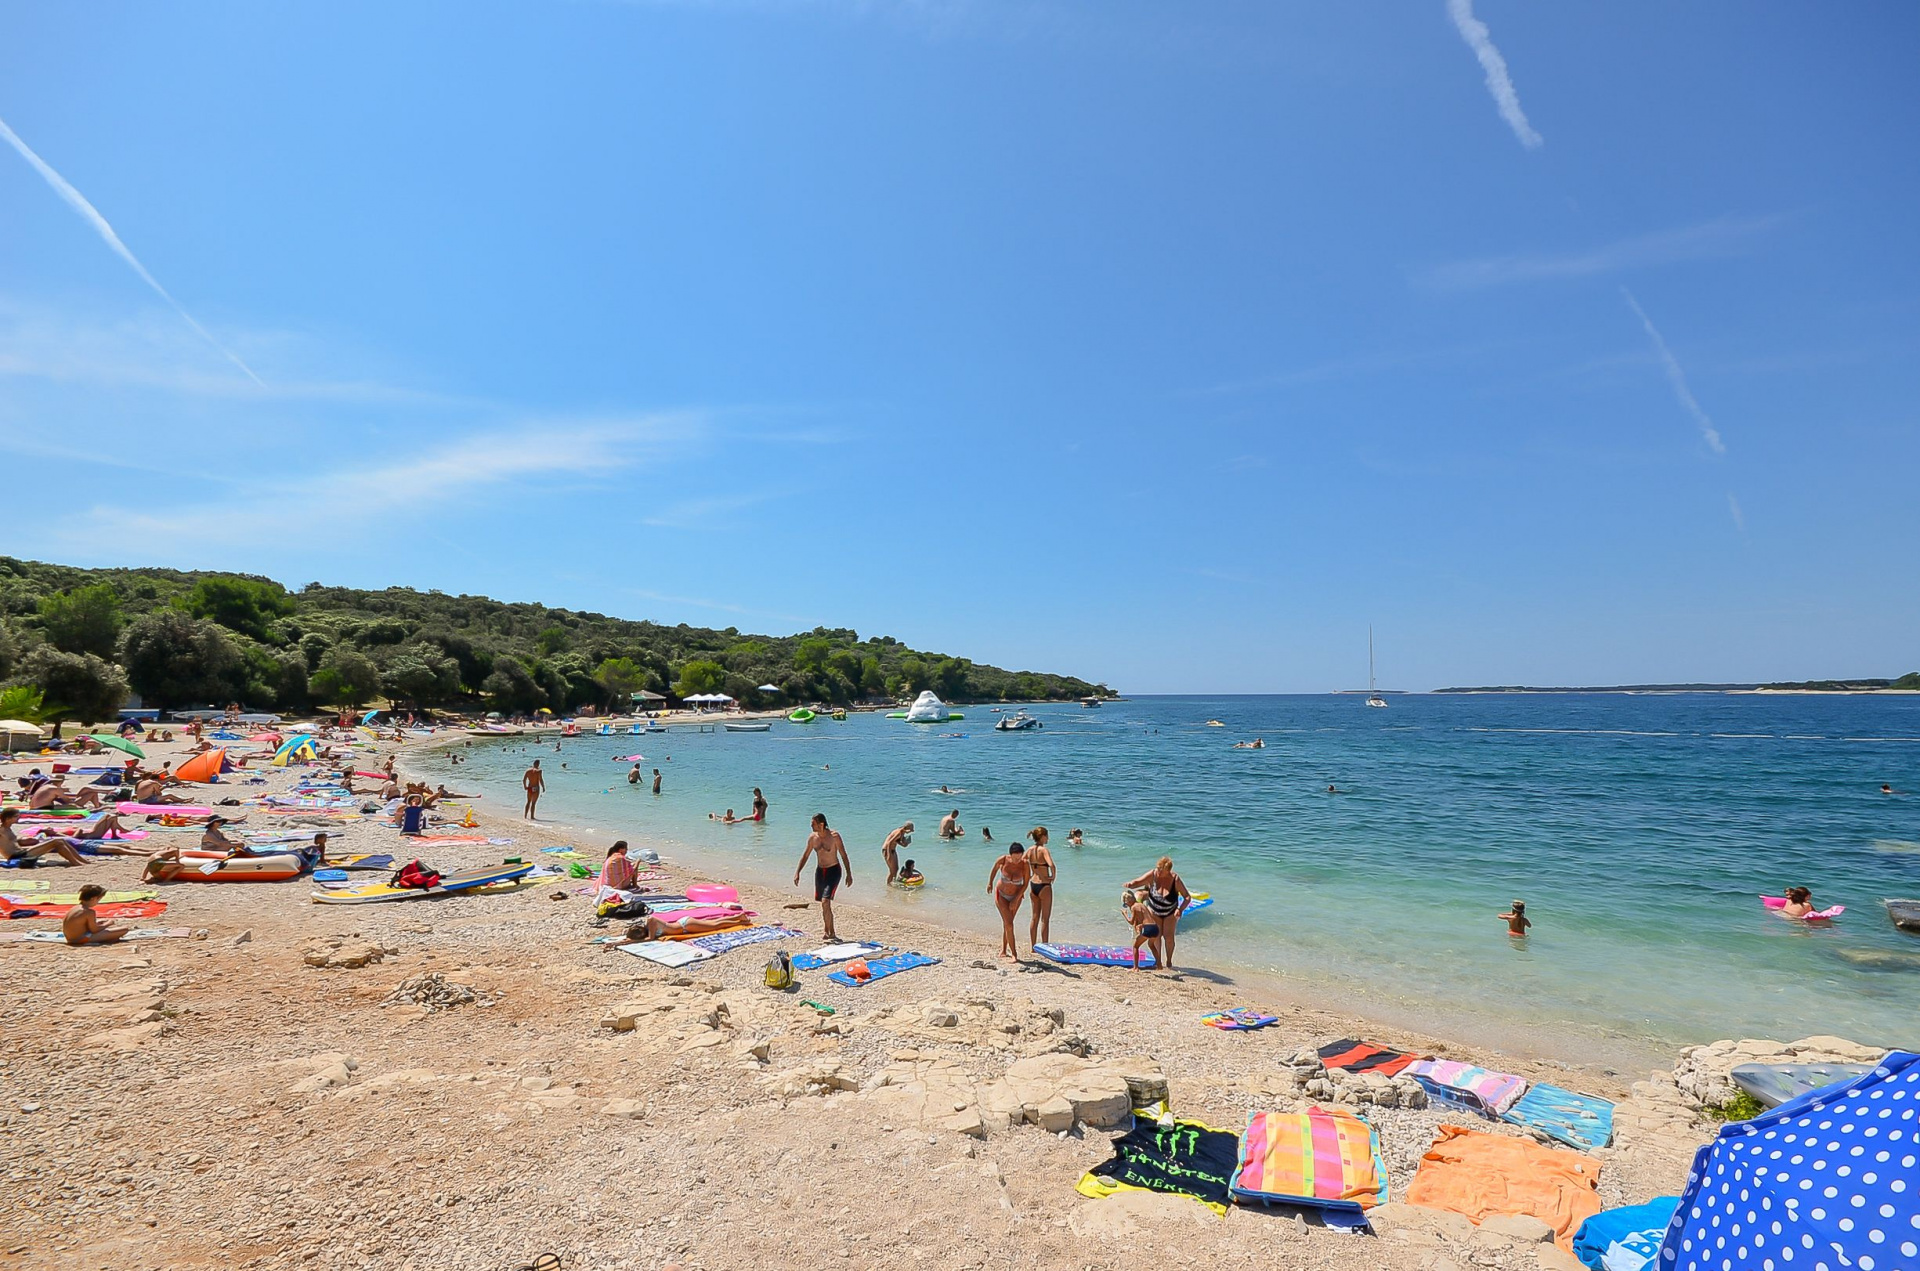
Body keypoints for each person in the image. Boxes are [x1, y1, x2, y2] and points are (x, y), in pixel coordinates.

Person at [1123, 857, 1193, 970]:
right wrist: (1130, 884)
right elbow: (1137, 882)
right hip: (1154, 911)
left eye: (1161, 869)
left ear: (1168, 871)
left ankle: (1169, 961)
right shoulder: (1153, 874)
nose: (1158, 871)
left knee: (1169, 938)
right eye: (1158, 868)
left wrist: (1180, 909)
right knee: (1156, 936)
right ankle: (1158, 962)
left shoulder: (1175, 879)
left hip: (1170, 912)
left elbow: (1187, 897)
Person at [793, 813, 852, 942]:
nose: (811, 826)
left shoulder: (834, 836)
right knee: (823, 904)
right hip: (820, 872)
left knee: (826, 901)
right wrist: (798, 872)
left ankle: (832, 933)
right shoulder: (813, 838)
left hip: (834, 870)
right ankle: (827, 931)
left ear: (821, 824)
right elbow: (805, 855)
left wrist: (849, 874)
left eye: (813, 823)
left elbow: (844, 855)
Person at [986, 842, 1030, 960]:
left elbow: (1025, 884)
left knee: (1008, 923)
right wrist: (990, 883)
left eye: (1020, 857)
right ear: (1010, 855)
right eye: (1015, 858)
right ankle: (1014, 954)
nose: (1017, 860)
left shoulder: (1025, 864)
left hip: (1016, 896)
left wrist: (1016, 899)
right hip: (1001, 895)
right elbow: (994, 869)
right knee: (1009, 924)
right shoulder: (1003, 859)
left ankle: (1004, 949)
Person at [0, 808, 87, 866]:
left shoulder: (8, 828)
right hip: (16, 856)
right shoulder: (2, 829)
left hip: (22, 852)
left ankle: (82, 860)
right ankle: (75, 862)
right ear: (7, 818)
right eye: (16, 816)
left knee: (61, 841)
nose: (18, 818)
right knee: (57, 842)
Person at [62, 884, 128, 946]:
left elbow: (81, 925)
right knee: (124, 929)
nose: (98, 902)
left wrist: (98, 923)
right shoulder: (89, 912)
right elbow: (94, 930)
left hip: (70, 938)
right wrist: (108, 923)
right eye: (98, 899)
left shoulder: (75, 908)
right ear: (93, 899)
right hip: (80, 940)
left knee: (106, 929)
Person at [1026, 827, 1056, 945]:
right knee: (1045, 919)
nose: (1048, 838)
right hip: (1044, 885)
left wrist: (1027, 876)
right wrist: (1053, 876)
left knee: (1034, 918)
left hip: (1033, 884)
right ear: (1042, 837)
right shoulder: (1044, 850)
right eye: (1047, 836)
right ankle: (1045, 946)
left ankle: (1033, 946)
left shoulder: (1030, 850)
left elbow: (1022, 862)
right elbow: (1051, 865)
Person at [1123, 889, 1163, 971]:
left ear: (1129, 901)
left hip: (1148, 928)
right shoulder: (1142, 905)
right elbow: (1146, 918)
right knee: (1151, 945)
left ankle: (1135, 967)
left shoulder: (1133, 907)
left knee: (1135, 946)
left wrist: (1125, 914)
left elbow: (1131, 922)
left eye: (1125, 904)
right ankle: (1159, 965)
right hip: (1155, 927)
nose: (1126, 906)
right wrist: (1141, 926)